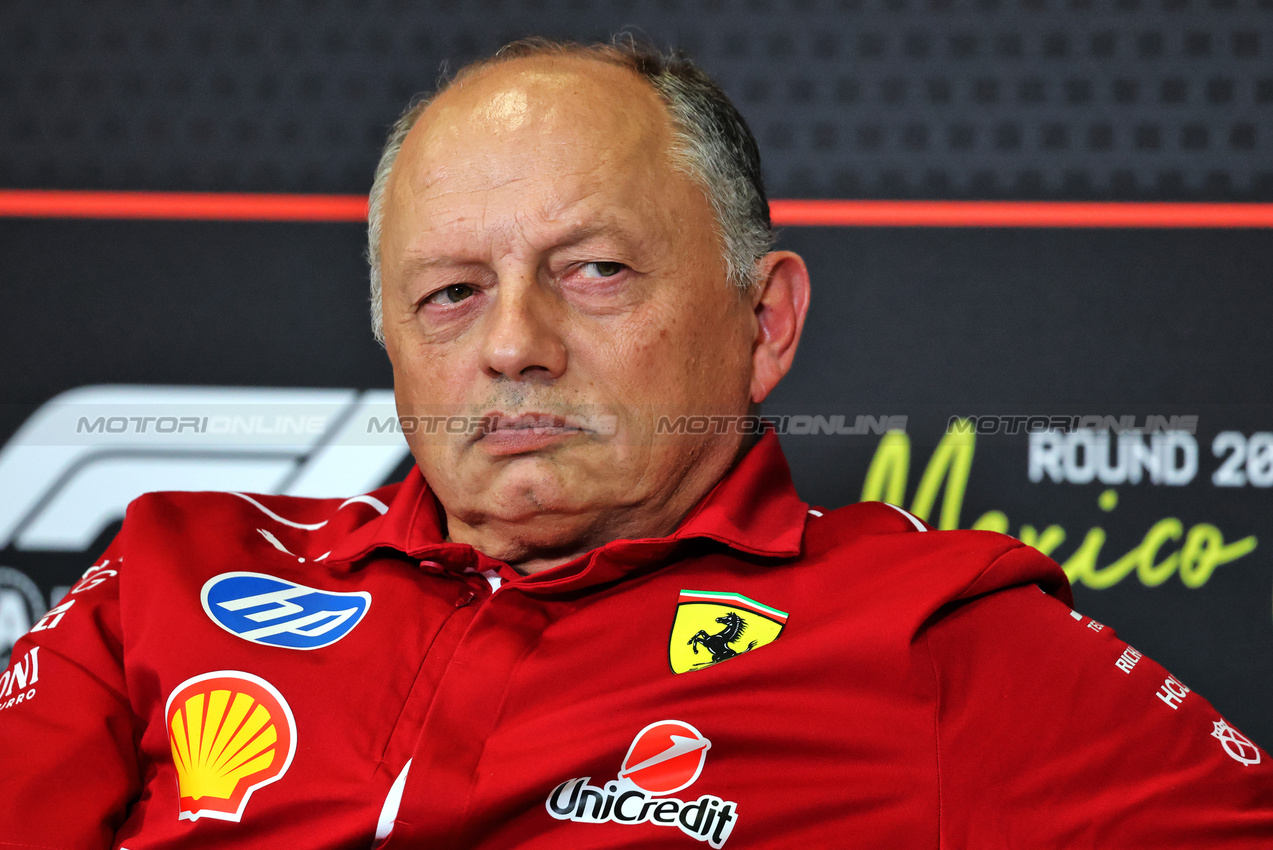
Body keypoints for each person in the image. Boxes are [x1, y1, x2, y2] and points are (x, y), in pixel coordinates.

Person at [1, 37, 1270, 849]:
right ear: (388, 337)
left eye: (595, 271)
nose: (513, 344)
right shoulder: (171, 568)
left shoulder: (932, 631)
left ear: (763, 322)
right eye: (449, 292)